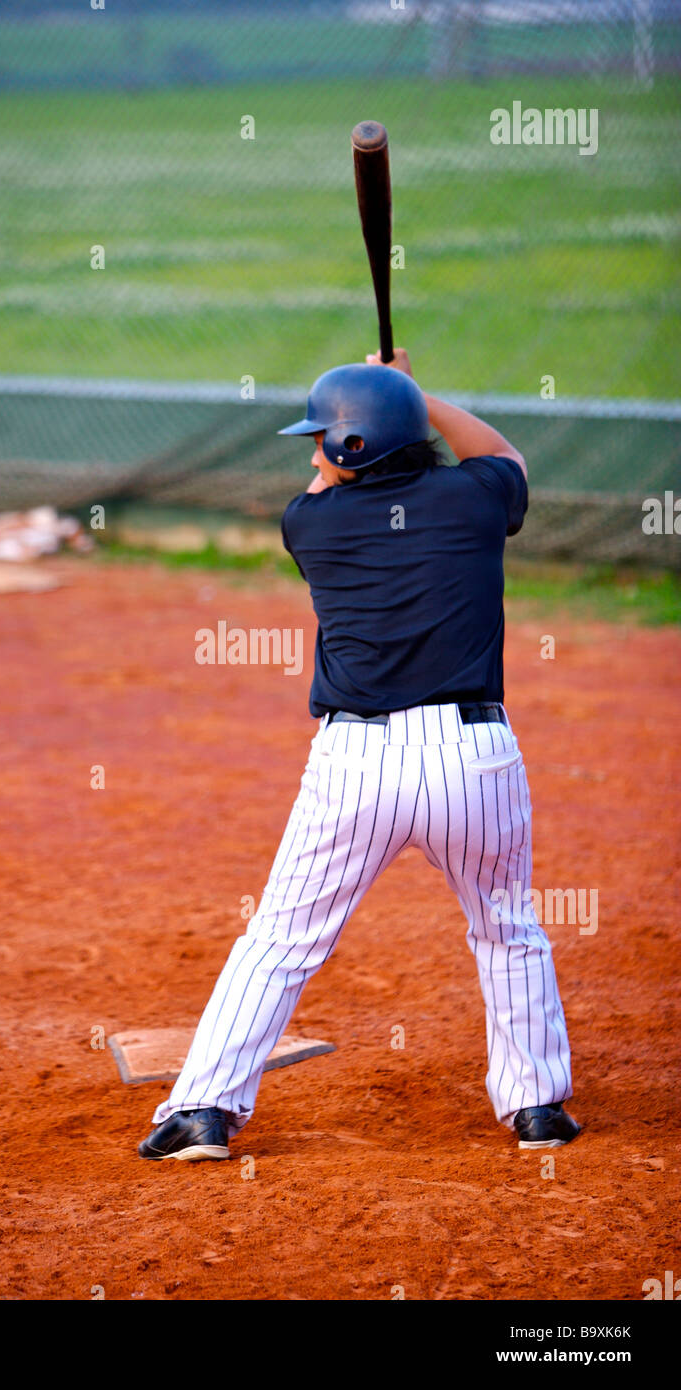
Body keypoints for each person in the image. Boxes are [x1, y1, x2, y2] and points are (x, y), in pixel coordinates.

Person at [138, 348, 579, 1162]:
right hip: (474, 759)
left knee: (281, 939)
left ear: (352, 447)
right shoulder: (477, 499)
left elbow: (325, 485)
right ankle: (537, 1108)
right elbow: (502, 454)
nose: (314, 456)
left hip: (357, 768)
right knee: (509, 928)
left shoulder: (312, 525)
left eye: (323, 441)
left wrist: (391, 396)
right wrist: (415, 394)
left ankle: (203, 1111)